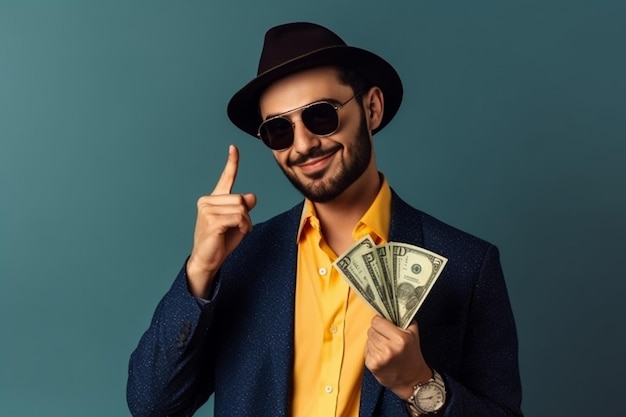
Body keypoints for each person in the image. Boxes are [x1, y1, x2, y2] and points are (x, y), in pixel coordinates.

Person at [127, 22, 523, 417]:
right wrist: (201, 269)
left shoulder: (467, 265)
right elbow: (151, 406)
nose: (302, 145)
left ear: (371, 108)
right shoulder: (238, 262)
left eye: (320, 116)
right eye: (279, 130)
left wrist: (418, 383)